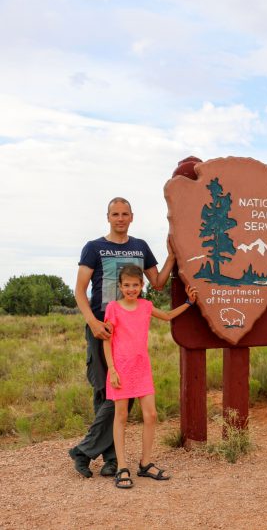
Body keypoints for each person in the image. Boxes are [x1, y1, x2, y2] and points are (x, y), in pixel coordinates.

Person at [68, 197, 175, 478]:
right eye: (115, 214)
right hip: (102, 329)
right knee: (107, 394)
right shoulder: (94, 248)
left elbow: (159, 282)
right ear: (108, 217)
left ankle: (96, 455)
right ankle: (109, 458)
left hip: (130, 334)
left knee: (121, 397)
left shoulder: (140, 247)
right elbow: (79, 291)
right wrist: (92, 322)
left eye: (124, 214)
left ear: (132, 217)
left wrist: (172, 256)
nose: (120, 218)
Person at [104, 264, 197, 489]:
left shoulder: (146, 306)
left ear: (141, 286)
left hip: (142, 368)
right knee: (121, 416)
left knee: (151, 415)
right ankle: (122, 467)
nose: (131, 289)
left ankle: (145, 463)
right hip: (120, 370)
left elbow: (166, 316)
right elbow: (106, 340)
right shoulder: (113, 308)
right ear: (120, 286)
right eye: (126, 285)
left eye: (135, 285)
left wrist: (188, 303)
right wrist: (112, 369)